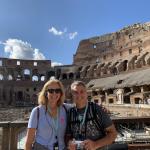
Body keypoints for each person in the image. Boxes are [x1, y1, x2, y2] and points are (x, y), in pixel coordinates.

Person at [67, 81, 117, 150]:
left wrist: (95, 144)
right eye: (75, 92)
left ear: (86, 93)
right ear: (72, 95)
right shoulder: (70, 112)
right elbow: (68, 136)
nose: (79, 95)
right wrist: (69, 143)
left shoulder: (97, 109)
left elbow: (113, 134)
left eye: (82, 91)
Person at [25, 78, 67, 150]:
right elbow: (28, 142)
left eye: (57, 91)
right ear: (45, 93)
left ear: (61, 93)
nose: (54, 93)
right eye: (51, 91)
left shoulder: (66, 109)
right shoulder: (37, 111)